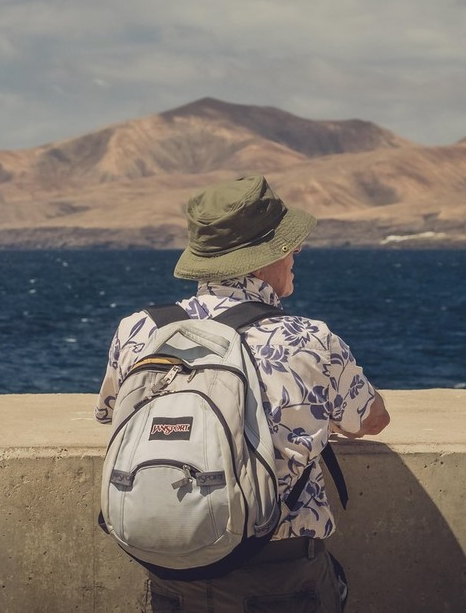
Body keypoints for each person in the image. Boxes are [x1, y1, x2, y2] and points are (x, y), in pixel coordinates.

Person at [97, 174, 390, 613]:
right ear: (260, 261)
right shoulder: (308, 339)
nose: (297, 253)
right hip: (283, 577)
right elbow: (370, 420)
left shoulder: (138, 329)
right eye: (288, 245)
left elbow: (110, 415)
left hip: (171, 569)